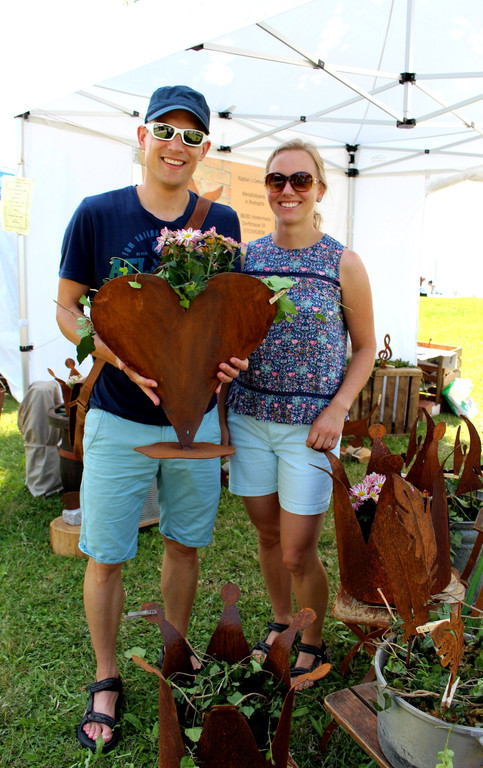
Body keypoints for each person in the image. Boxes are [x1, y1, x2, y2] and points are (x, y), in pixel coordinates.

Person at [56, 85, 247, 752]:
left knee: (185, 543)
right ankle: (106, 676)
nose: (177, 145)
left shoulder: (221, 219)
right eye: (165, 130)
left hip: (193, 421)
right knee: (106, 555)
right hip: (119, 416)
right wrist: (114, 355)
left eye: (192, 135)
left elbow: (228, 314)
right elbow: (68, 308)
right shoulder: (96, 214)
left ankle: (174, 650)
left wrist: (230, 361)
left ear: (205, 149)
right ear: (141, 137)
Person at [226, 139, 376, 686]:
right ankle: (284, 620)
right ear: (266, 188)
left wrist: (338, 409)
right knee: (268, 539)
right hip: (248, 416)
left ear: (319, 190)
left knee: (296, 550)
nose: (287, 190)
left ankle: (311, 637)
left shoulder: (343, 262)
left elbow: (364, 347)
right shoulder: (247, 260)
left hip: (311, 429)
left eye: (300, 180)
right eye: (276, 180)